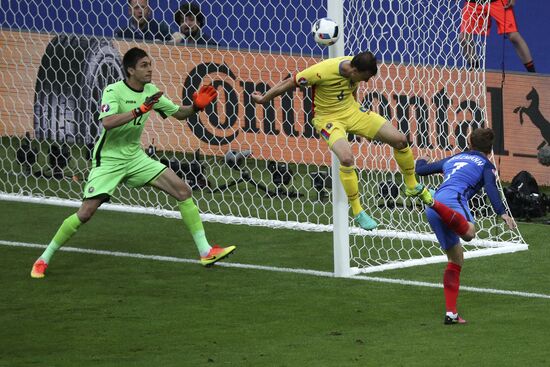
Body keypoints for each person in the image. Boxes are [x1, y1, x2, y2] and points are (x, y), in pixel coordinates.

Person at [30, 47, 235, 278]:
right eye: (144, 66)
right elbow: (107, 122)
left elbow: (178, 113)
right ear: (130, 70)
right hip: (109, 159)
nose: (149, 69)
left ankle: (205, 251)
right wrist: (140, 109)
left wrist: (196, 107)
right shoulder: (113, 91)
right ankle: (43, 258)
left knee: (183, 190)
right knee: (86, 213)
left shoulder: (151, 91)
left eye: (150, 64)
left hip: (135, 157)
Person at [251, 52, 434, 230]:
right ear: (354, 71)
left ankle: (411, 185)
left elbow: (353, 90)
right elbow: (290, 82)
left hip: (353, 112)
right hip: (328, 119)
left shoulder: (354, 69)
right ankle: (358, 211)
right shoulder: (322, 71)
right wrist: (263, 99)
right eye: (365, 77)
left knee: (400, 140)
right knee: (346, 158)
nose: (367, 81)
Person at [415, 128, 516, 324]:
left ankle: (451, 314)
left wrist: (422, 159)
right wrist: (502, 212)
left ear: (469, 143)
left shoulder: (454, 158)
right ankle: (432, 201)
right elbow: (491, 189)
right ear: (490, 149)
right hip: (452, 201)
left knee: (456, 258)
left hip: (436, 205)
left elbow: (420, 170)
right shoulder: (487, 165)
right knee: (469, 233)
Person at [460, 0, 536, 72]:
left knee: (514, 36)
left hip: (497, 2)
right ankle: (476, 72)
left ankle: (533, 74)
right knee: (463, 38)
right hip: (473, 3)